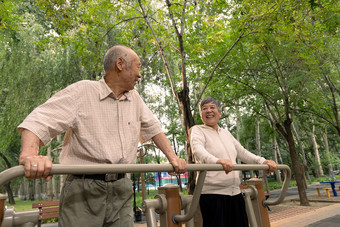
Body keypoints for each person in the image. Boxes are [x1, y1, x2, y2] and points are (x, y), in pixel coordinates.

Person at [17, 45, 187, 227]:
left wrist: (173, 158)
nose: (140, 75)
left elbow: (153, 129)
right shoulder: (83, 91)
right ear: (120, 64)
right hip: (84, 189)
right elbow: (38, 120)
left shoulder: (134, 98)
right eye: (138, 67)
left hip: (121, 187)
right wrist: (30, 155)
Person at [190, 97, 277, 227]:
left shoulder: (226, 133)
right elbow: (198, 151)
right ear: (201, 114)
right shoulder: (197, 130)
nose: (209, 111)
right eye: (204, 108)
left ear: (219, 112)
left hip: (235, 193)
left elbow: (242, 152)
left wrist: (263, 161)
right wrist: (218, 162)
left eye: (212, 107)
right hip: (212, 195)